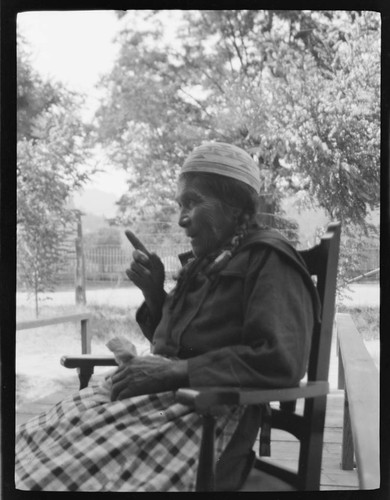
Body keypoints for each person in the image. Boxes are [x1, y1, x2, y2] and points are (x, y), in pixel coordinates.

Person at [15, 142, 320, 492]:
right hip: (157, 403)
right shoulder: (207, 262)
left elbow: (281, 360)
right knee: (27, 448)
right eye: (180, 205)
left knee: (50, 477)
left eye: (192, 202)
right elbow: (177, 342)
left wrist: (174, 372)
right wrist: (155, 293)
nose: (181, 219)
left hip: (205, 415)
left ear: (236, 207)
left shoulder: (269, 258)